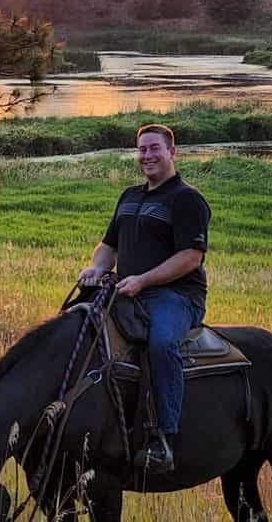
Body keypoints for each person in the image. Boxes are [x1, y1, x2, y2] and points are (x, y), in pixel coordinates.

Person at [77, 123, 210, 474]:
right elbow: (109, 246)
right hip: (127, 291)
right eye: (142, 150)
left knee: (162, 344)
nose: (147, 156)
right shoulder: (130, 196)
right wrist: (94, 269)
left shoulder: (187, 199)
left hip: (176, 296)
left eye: (155, 149)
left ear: (172, 152)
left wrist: (144, 280)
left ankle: (164, 438)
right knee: (78, 324)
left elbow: (191, 257)